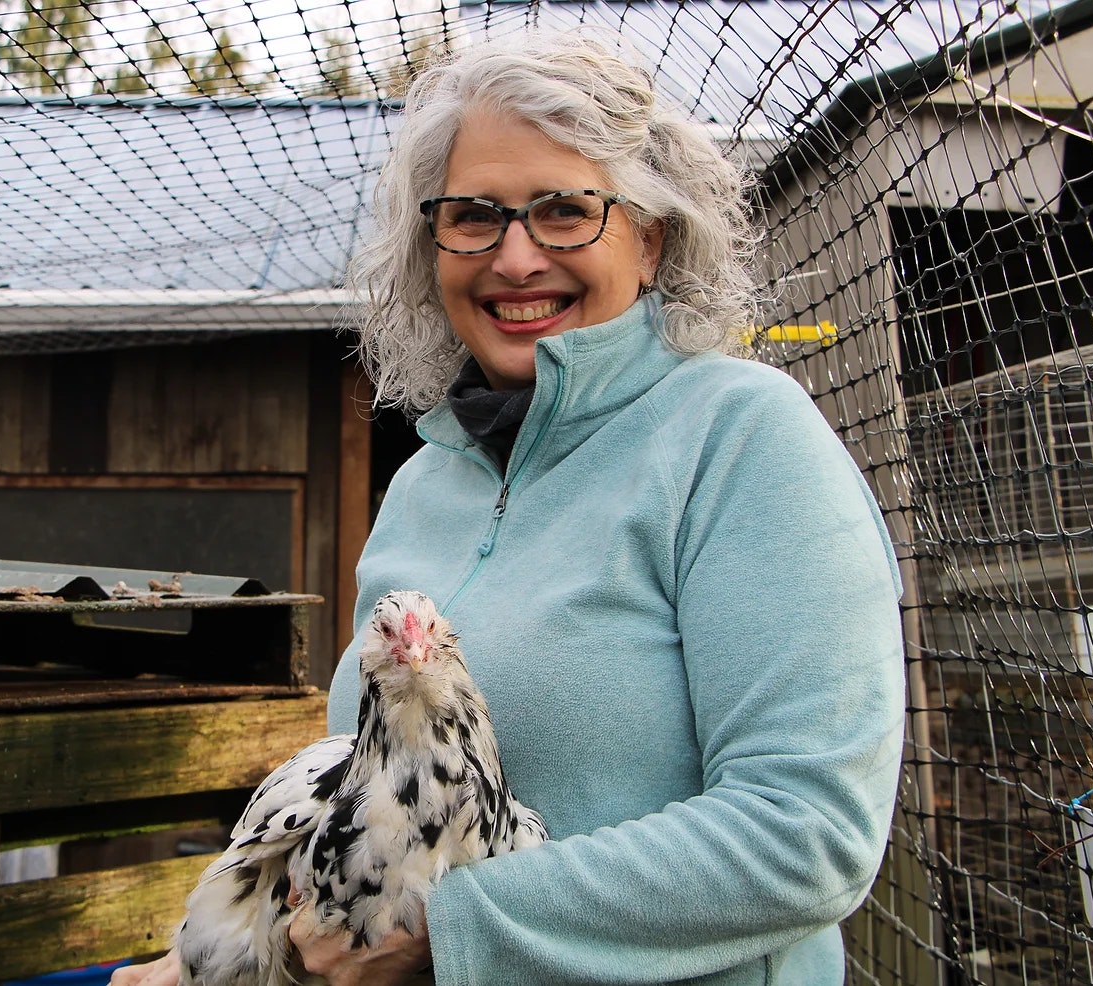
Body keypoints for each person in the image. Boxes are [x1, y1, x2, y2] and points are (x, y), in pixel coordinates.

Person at [113, 27, 904, 986]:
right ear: (431, 244)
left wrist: (453, 929)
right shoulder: (423, 486)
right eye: (474, 214)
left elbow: (806, 833)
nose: (516, 258)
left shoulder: (741, 440)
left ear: (650, 240)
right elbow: (366, 819)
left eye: (567, 211)